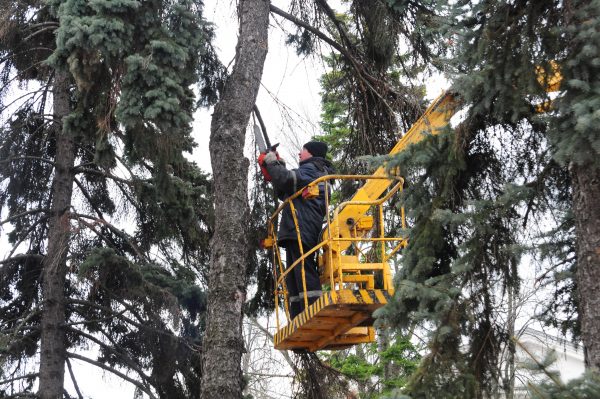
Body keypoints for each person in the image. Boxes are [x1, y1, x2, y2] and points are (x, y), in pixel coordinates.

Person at [259, 141, 334, 319]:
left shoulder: (313, 170)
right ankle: (298, 316)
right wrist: (277, 166)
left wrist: (272, 162)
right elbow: (285, 189)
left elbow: (288, 180)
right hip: (298, 227)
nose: (300, 154)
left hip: (303, 226)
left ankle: (313, 313)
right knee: (293, 274)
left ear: (311, 153)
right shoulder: (313, 171)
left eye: (303, 150)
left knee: (303, 269)